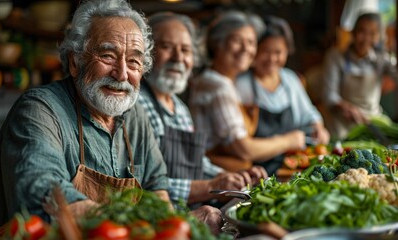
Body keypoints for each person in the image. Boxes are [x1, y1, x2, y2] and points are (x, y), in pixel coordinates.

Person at [0, 1, 222, 238]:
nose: (122, 73)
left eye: (134, 61)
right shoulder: (40, 109)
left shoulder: (136, 116)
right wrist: (146, 226)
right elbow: (45, 195)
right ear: (75, 62)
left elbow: (157, 191)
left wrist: (181, 225)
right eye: (107, 56)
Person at [138, 12, 268, 208]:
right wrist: (212, 185)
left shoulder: (179, 107)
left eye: (186, 50)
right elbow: (142, 186)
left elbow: (197, 165)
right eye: (166, 47)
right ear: (145, 52)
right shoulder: (137, 105)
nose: (178, 57)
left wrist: (231, 178)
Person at [189, 11, 312, 176]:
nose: (246, 49)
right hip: (216, 180)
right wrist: (289, 141)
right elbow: (243, 148)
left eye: (251, 42)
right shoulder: (218, 86)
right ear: (217, 44)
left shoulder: (224, 81)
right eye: (237, 41)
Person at [236, 16, 330, 174]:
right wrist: (288, 141)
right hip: (257, 170)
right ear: (254, 51)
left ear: (287, 51)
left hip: (292, 165)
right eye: (265, 52)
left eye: (278, 52)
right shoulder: (241, 85)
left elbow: (309, 114)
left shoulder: (291, 80)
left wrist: (319, 128)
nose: (272, 59)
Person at [321, 12, 398, 140]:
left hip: (372, 119)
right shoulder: (336, 57)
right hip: (342, 123)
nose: (366, 38)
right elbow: (329, 95)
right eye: (362, 32)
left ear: (378, 37)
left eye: (372, 33)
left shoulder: (382, 59)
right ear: (353, 32)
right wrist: (346, 107)